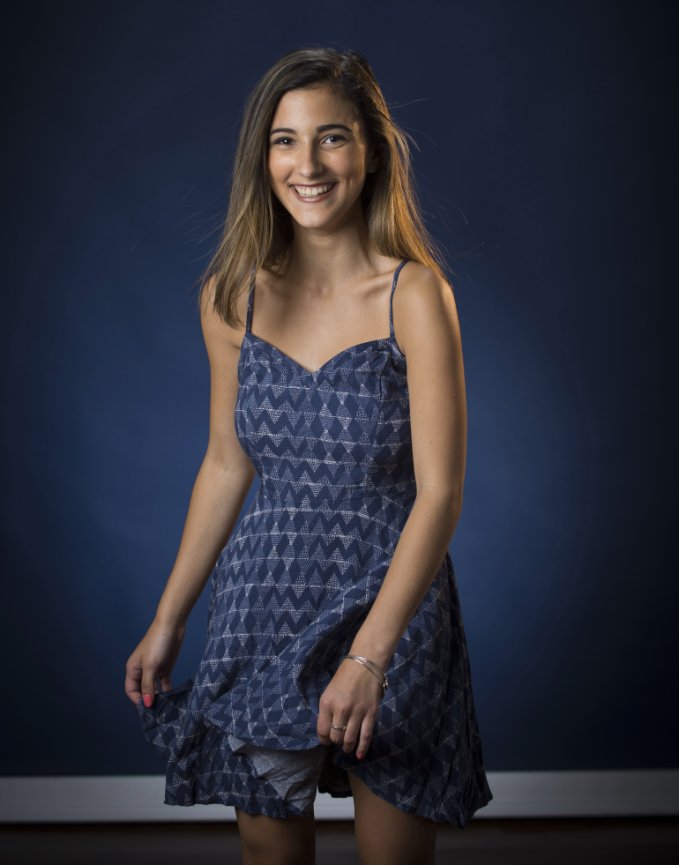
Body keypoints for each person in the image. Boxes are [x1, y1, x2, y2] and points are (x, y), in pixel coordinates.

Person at [124, 45, 492, 865]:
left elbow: (439, 493)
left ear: (371, 151)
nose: (308, 165)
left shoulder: (415, 294)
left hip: (394, 606)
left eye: (332, 137)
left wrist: (370, 654)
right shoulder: (231, 297)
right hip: (263, 604)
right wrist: (168, 619)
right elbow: (226, 463)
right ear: (262, 159)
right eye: (285, 141)